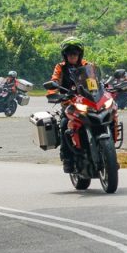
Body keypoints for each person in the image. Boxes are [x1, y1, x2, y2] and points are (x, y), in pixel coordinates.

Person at [47, 37, 90, 173]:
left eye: (75, 53)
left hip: (88, 102)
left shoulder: (86, 65)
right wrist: (53, 93)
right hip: (69, 104)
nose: (72, 56)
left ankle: (108, 152)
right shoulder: (60, 67)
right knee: (65, 124)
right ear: (65, 55)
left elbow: (95, 80)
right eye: (69, 53)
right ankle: (67, 158)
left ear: (80, 54)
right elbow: (54, 80)